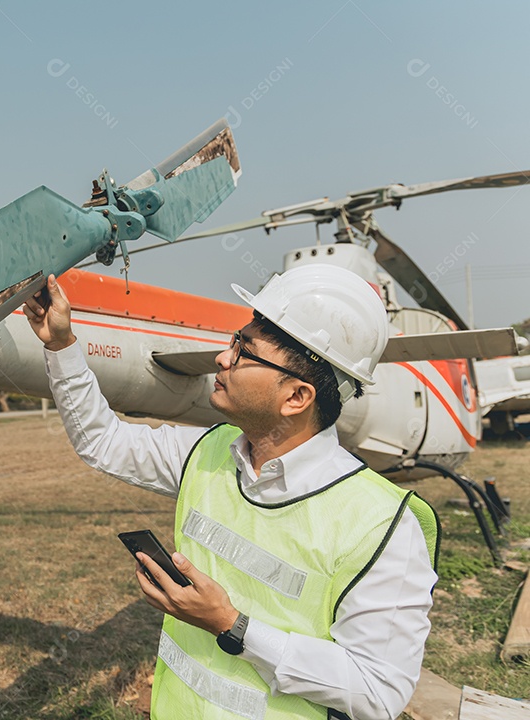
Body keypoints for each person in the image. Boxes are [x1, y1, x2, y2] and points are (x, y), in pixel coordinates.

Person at [23, 265, 439, 720]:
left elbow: (377, 691)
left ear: (296, 398)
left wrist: (231, 626)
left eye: (244, 353)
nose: (223, 358)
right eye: (233, 341)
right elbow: (103, 442)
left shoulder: (383, 524)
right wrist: (61, 345)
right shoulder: (210, 451)